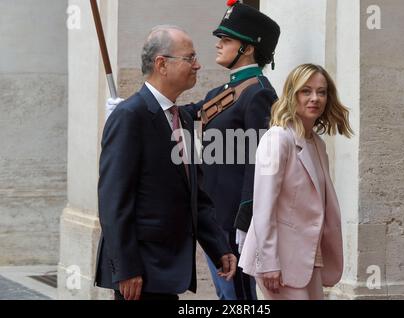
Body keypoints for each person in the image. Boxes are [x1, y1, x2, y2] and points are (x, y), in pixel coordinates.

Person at [105, 1, 280, 300]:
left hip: (230, 221)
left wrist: (246, 218)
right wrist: (125, 111)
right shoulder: (219, 94)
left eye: (226, 39)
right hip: (208, 223)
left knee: (238, 299)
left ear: (247, 48)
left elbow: (260, 163)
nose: (217, 46)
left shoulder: (259, 93)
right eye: (191, 57)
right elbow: (115, 199)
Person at [95, 25, 237, 301]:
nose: (198, 65)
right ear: (162, 64)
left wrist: (219, 246)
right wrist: (126, 268)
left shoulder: (181, 118)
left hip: (168, 272)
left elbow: (195, 195)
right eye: (190, 58)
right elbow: (114, 202)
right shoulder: (130, 117)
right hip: (139, 273)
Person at [238, 63, 353, 300]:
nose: (315, 98)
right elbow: (263, 207)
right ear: (292, 94)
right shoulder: (277, 139)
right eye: (306, 91)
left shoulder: (317, 143)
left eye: (321, 92)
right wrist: (268, 261)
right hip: (279, 261)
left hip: (308, 257)